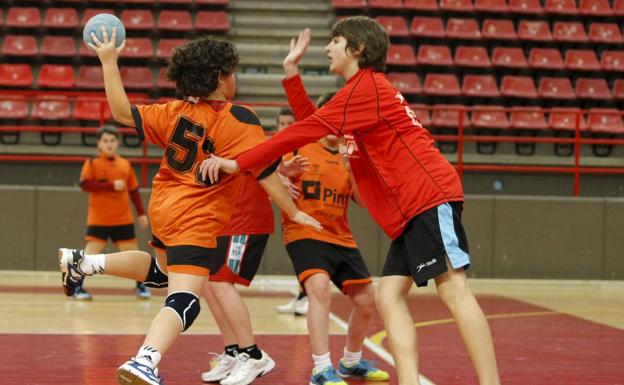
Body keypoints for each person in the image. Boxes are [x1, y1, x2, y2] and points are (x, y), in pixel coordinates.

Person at [201, 17, 502, 385]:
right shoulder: (360, 94)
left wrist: (237, 162)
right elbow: (314, 122)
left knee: (454, 290)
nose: (328, 47)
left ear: (356, 49)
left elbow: (303, 129)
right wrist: (291, 74)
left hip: (427, 197)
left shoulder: (368, 89)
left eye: (335, 40)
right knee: (389, 296)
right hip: (409, 213)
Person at [61, 29, 320, 385]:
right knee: (185, 300)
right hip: (196, 217)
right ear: (219, 77)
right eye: (231, 72)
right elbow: (266, 170)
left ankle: (85, 262)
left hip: (164, 207)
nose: (235, 79)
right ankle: (144, 361)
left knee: (163, 275)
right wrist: (294, 212)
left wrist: (109, 61)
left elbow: (121, 112)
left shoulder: (173, 111)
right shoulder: (240, 118)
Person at [277, 79, 390, 384]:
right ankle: (320, 368)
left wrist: (351, 166)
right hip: (304, 233)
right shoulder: (300, 144)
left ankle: (350, 362)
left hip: (340, 236)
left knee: (367, 300)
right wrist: (282, 173)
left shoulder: (350, 154)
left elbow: (362, 201)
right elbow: (270, 175)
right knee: (320, 290)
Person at [75, 125, 151, 300]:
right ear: (99, 144)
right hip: (99, 219)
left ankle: (140, 286)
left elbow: (133, 190)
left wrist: (141, 213)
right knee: (90, 254)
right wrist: (110, 185)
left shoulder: (125, 164)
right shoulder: (92, 163)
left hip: (123, 219)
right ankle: (77, 287)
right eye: (105, 141)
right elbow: (85, 185)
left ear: (118, 143)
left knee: (133, 254)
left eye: (112, 140)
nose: (109, 144)